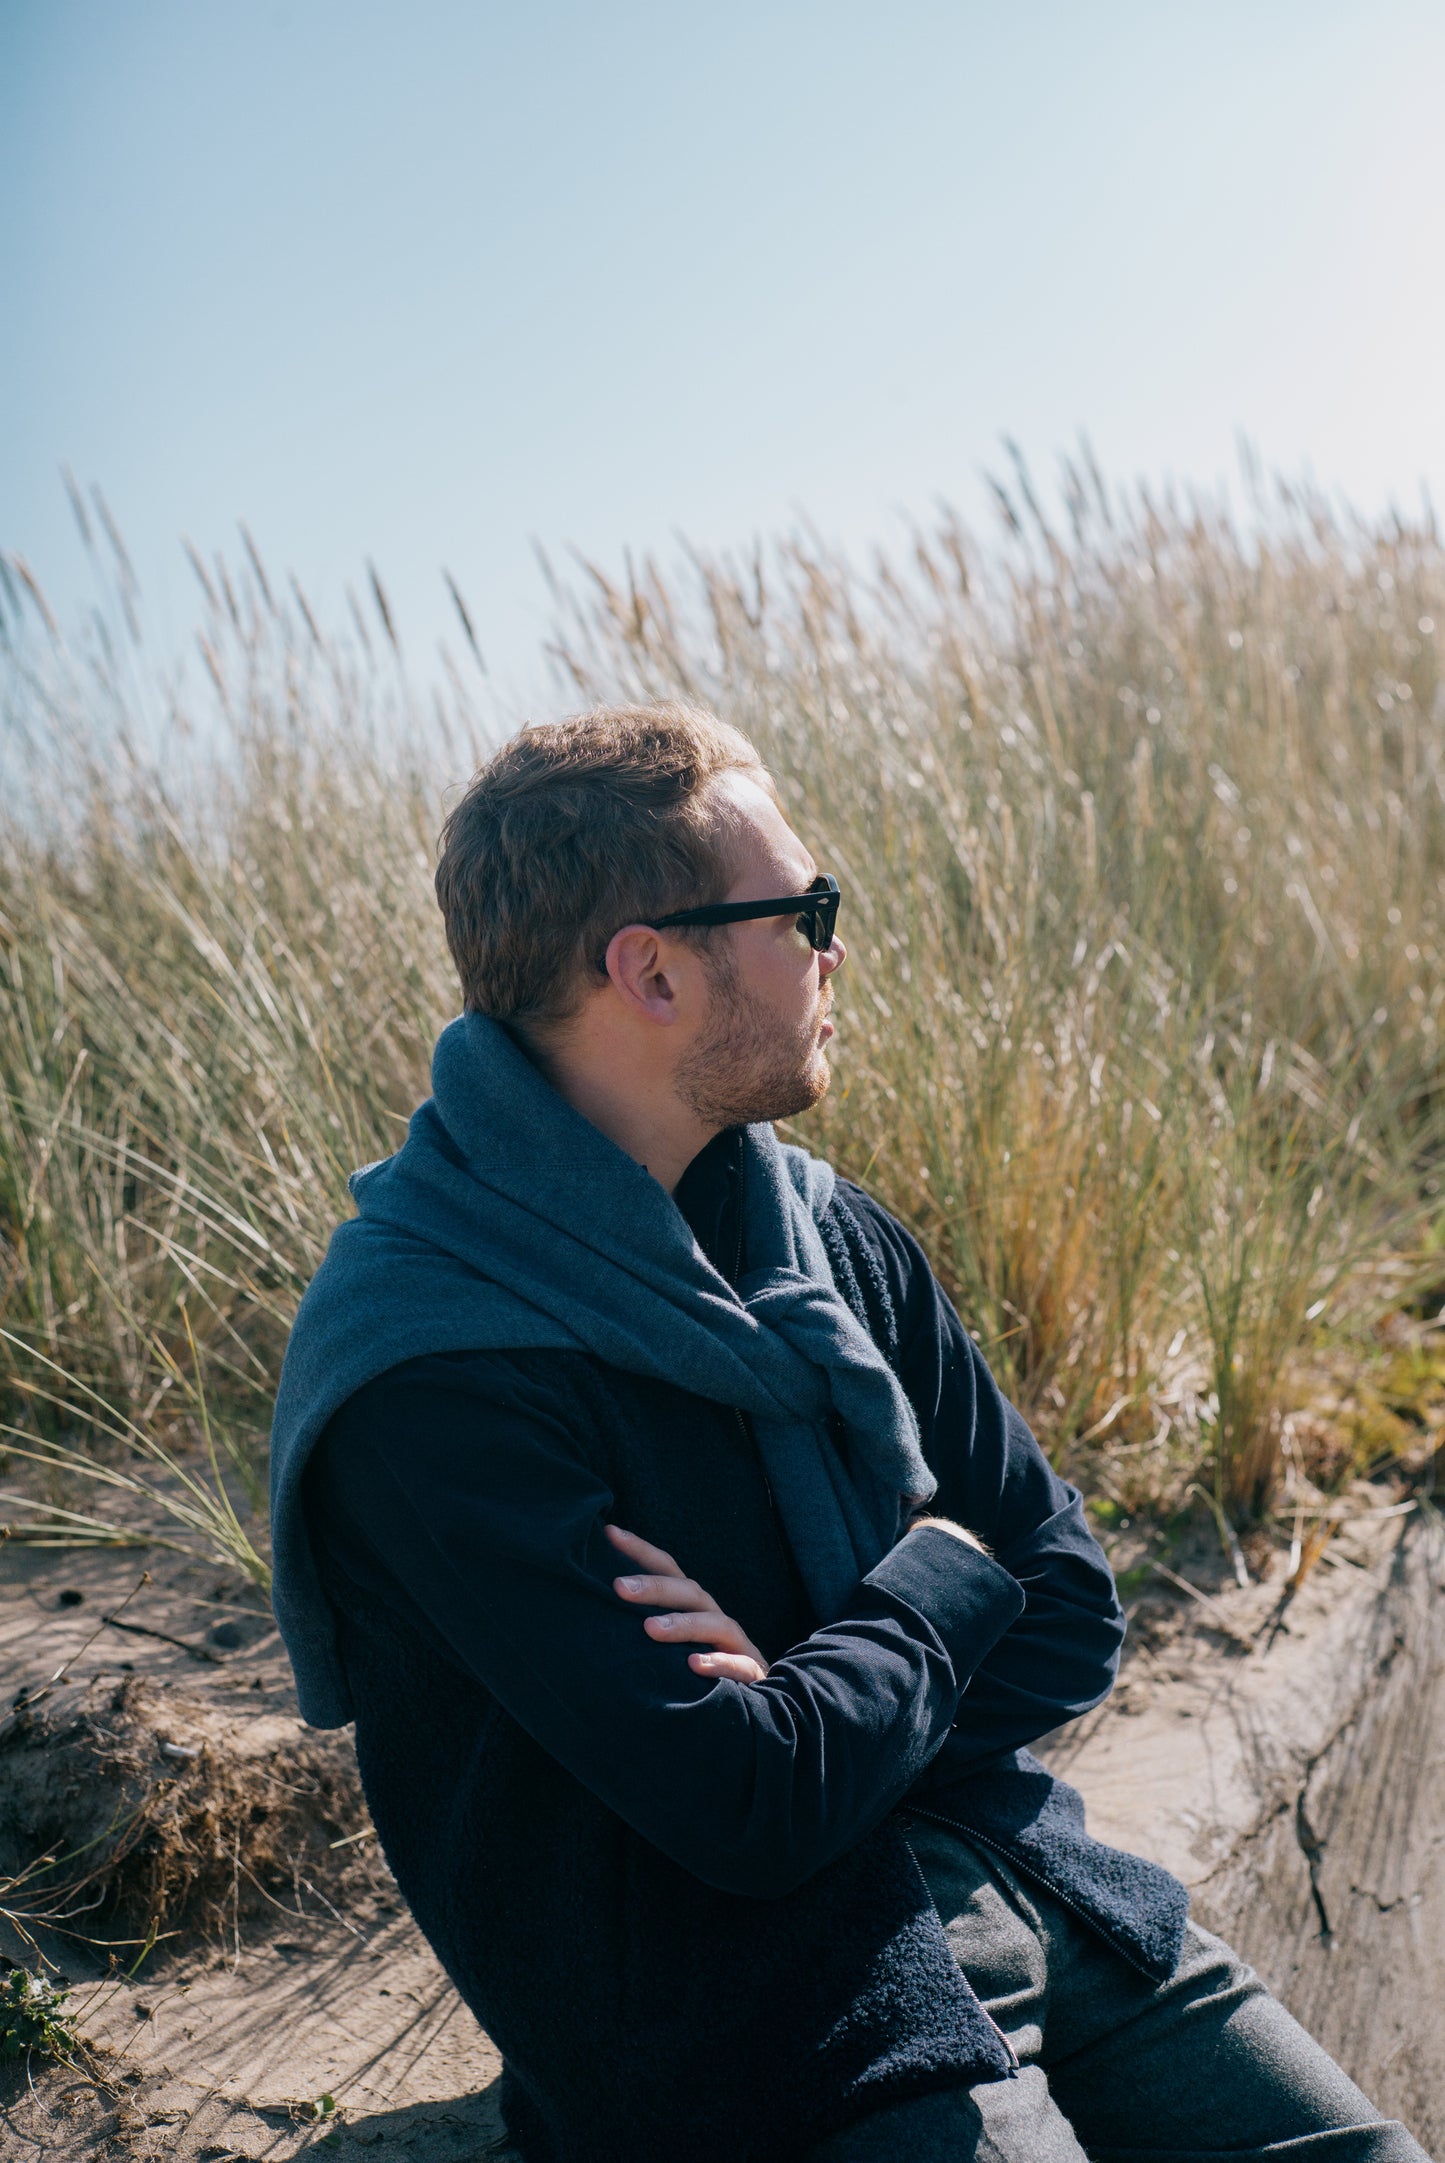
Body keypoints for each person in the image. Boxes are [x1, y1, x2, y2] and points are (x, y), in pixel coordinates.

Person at [268, 703, 1430, 2163]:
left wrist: (811, 1689)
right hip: (736, 2005)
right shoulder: (432, 1366)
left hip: (1009, 1878)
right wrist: (937, 1572)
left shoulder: (821, 1236)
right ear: (651, 971)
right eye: (803, 911)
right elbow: (744, 1802)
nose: (834, 947)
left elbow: (1069, 1609)